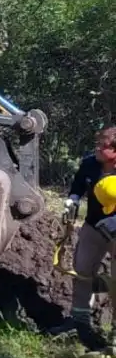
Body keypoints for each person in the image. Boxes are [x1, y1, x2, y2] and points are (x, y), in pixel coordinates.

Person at [62, 127, 116, 329]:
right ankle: (79, 321)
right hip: (93, 226)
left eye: (103, 146)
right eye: (97, 144)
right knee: (82, 270)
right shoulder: (89, 164)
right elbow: (77, 185)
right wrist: (73, 199)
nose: (97, 149)